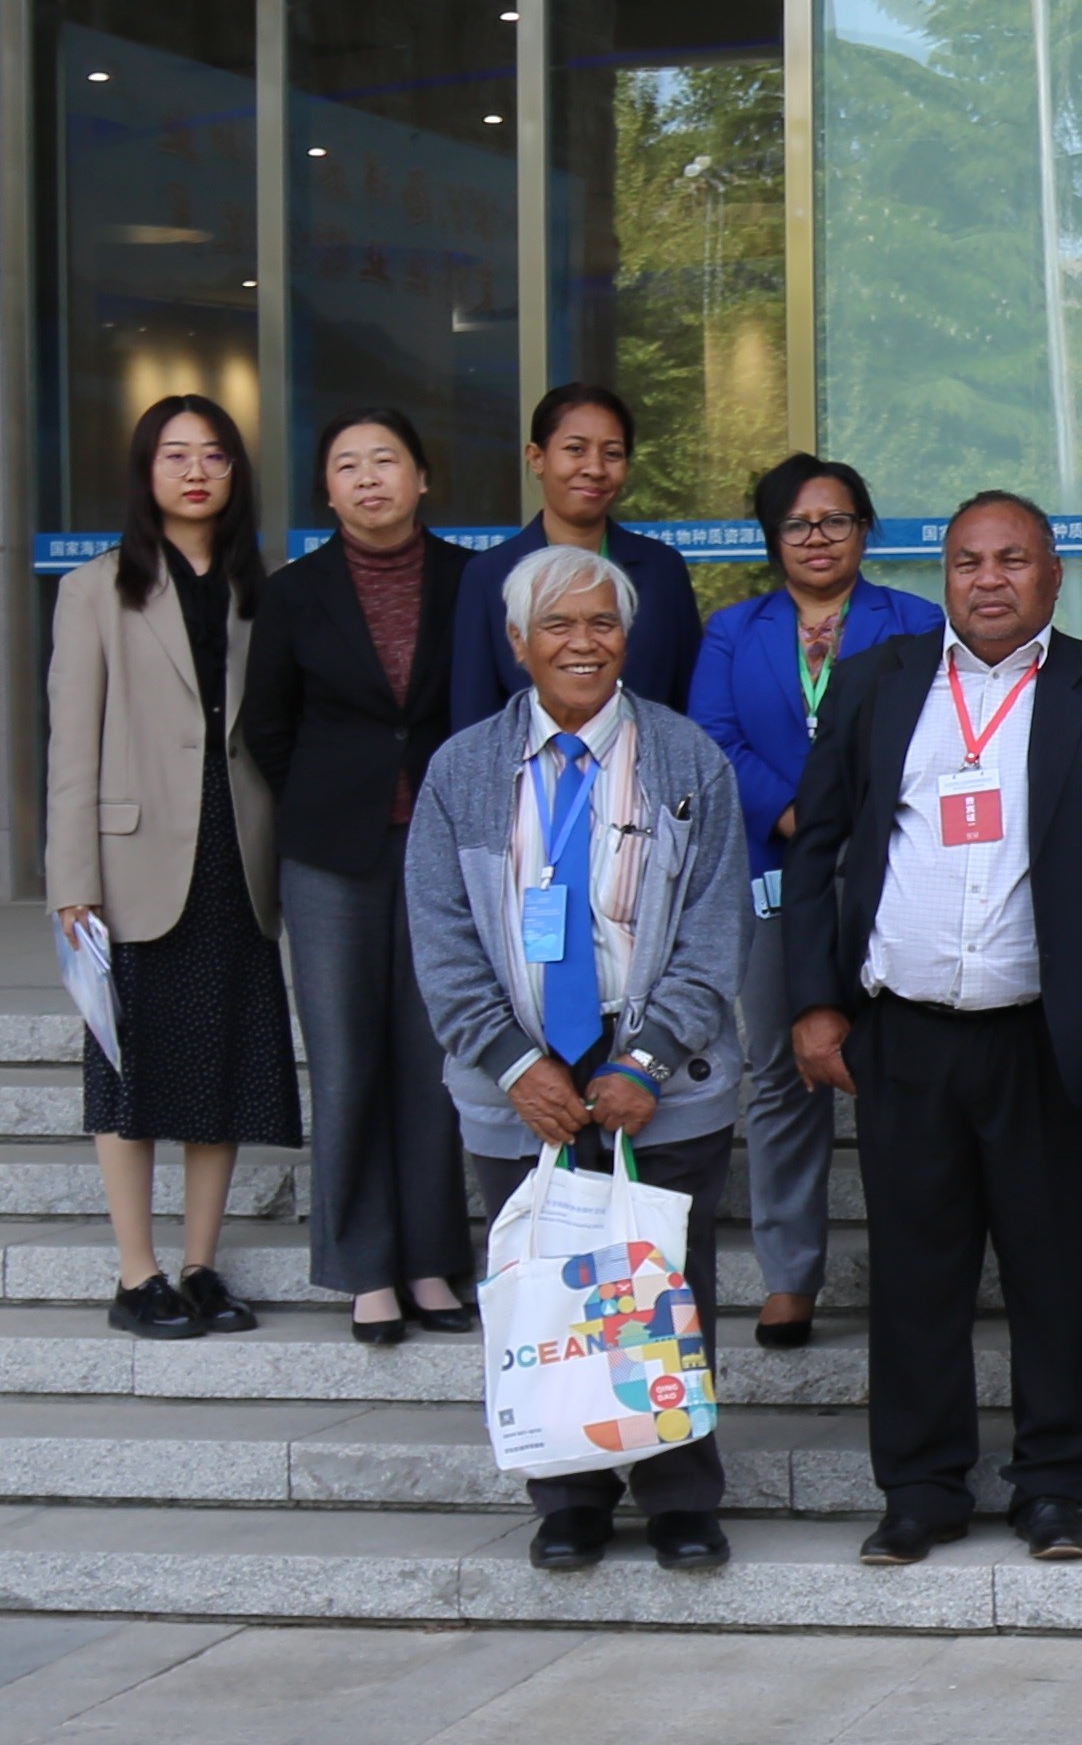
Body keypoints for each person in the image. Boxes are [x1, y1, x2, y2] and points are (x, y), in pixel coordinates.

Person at [785, 493, 1082, 1568]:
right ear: (943, 575)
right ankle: (920, 1487)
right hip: (903, 1034)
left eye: (1012, 560)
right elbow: (816, 850)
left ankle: (1055, 1486)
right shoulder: (877, 681)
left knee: (1055, 1271)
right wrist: (814, 1001)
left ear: (1054, 573)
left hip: (1046, 1037)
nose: (988, 580)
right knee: (913, 1273)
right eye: (966, 562)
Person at [401, 544, 750, 1573]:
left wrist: (647, 1057)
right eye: (558, 625)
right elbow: (439, 936)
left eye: (602, 623)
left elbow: (716, 930)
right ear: (518, 643)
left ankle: (680, 1495)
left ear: (627, 638)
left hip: (658, 1070)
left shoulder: (687, 758)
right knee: (546, 1292)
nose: (582, 643)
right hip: (521, 1073)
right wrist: (513, 1061)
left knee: (665, 1286)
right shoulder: (462, 770)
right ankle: (569, 1497)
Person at [52, 396, 299, 1339]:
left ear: (237, 472)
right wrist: (72, 881)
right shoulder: (97, 588)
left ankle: (199, 1266)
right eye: (175, 454)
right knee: (127, 1068)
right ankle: (136, 1274)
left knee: (221, 1058)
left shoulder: (261, 587)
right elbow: (71, 746)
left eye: (215, 455)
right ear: (145, 470)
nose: (196, 471)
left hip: (236, 850)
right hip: (130, 861)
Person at [686, 455, 944, 1351]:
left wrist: (846, 818)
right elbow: (713, 739)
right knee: (781, 1072)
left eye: (836, 520)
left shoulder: (915, 621)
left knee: (899, 1072)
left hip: (890, 868)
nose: (818, 537)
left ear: (865, 529)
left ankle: (913, 1264)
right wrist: (797, 812)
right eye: (797, 524)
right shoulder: (732, 630)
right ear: (772, 539)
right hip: (773, 869)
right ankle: (789, 1274)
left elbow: (936, 733)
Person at [244, 410, 475, 1345]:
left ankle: (430, 1259)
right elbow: (267, 725)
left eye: (386, 460)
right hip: (331, 852)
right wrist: (326, 796)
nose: (369, 477)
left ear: (422, 478)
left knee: (432, 1057)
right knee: (344, 1060)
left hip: (444, 848)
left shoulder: (470, 580)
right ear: (328, 491)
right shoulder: (294, 593)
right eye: (348, 465)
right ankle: (363, 1267)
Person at [448, 383, 706, 723]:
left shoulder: (662, 568)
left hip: (647, 756)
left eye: (612, 454)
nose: (595, 468)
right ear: (537, 458)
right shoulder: (488, 575)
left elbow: (689, 700)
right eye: (576, 449)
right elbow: (473, 714)